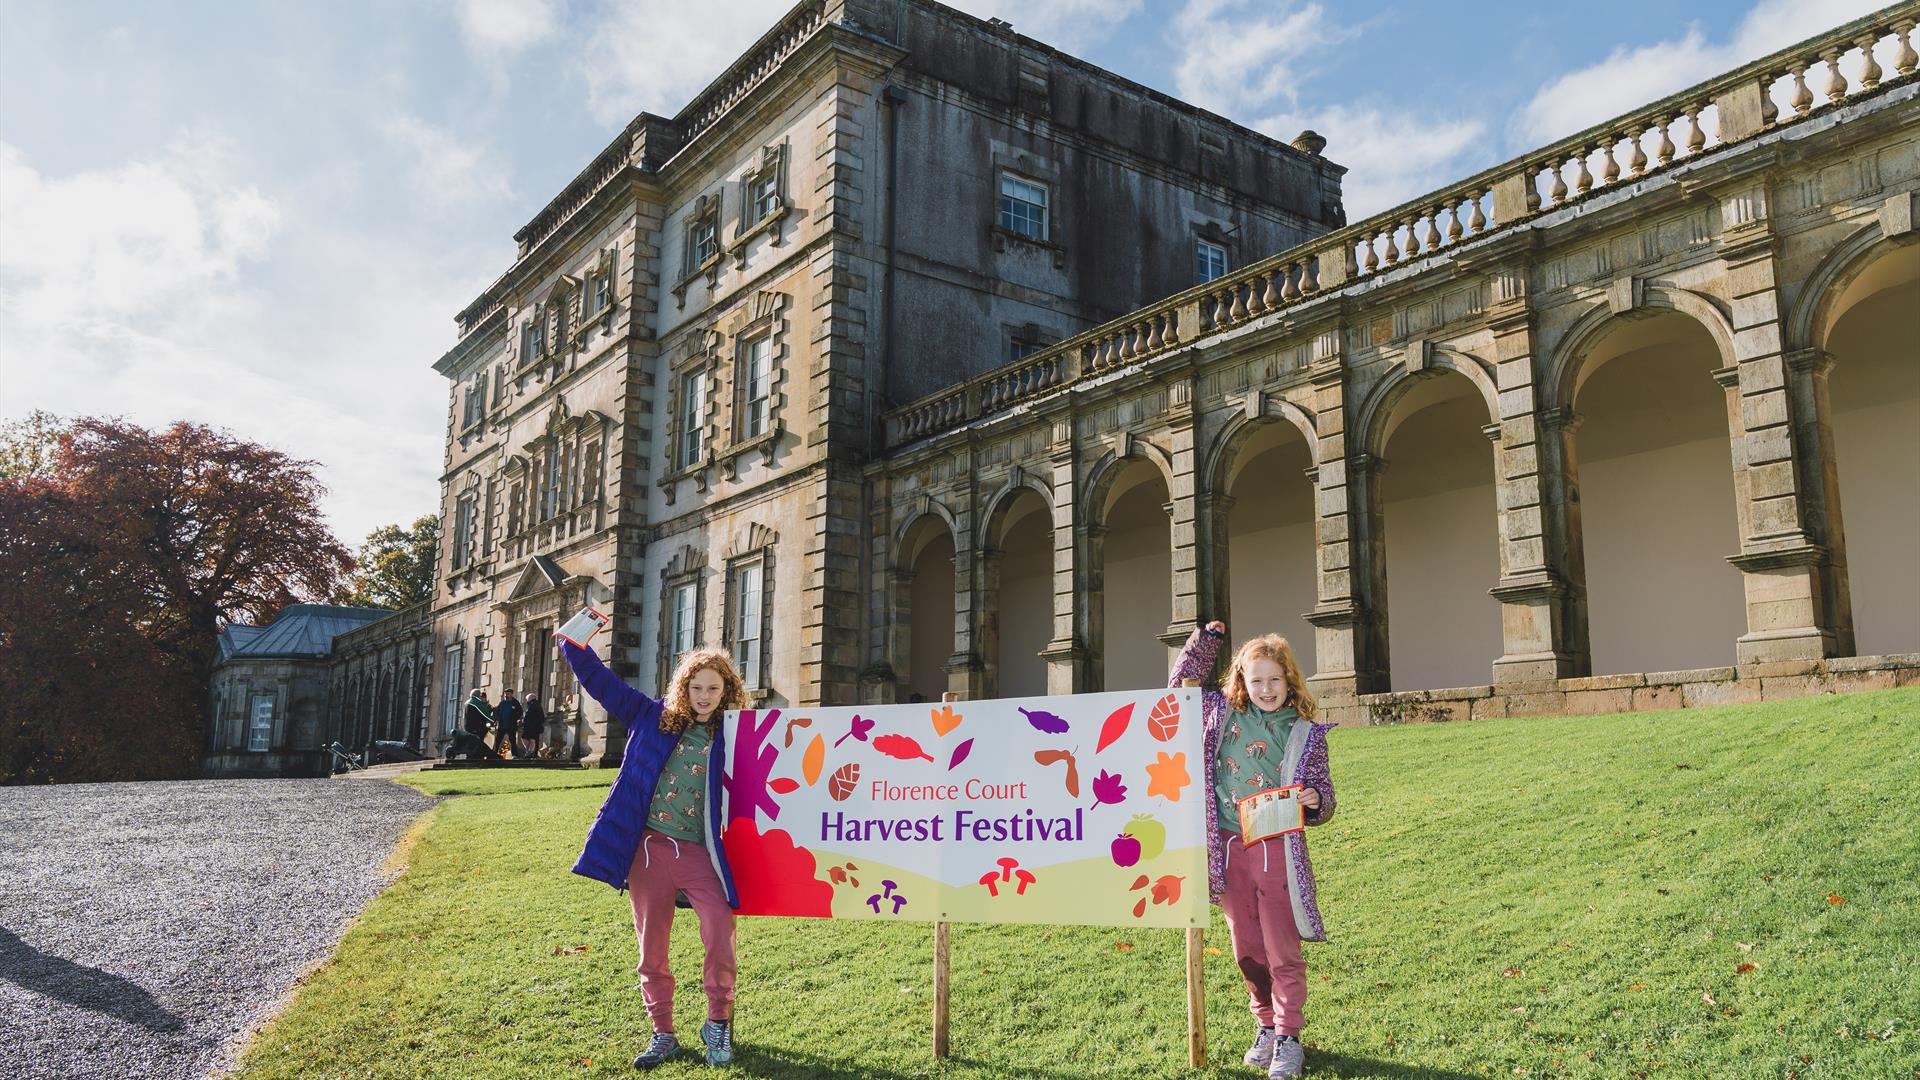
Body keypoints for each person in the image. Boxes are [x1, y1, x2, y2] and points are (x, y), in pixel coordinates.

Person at [559, 634, 745, 1069]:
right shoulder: (652, 717)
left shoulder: (733, 735)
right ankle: (663, 1032)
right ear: (683, 687)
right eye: (696, 687)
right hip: (649, 852)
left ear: (726, 691)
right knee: (652, 948)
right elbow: (602, 683)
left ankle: (718, 1021)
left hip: (700, 852)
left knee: (720, 929)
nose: (704, 696)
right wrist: (573, 641)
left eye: (713, 688)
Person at [1171, 619, 1336, 1079]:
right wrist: (1206, 642)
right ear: (1241, 679)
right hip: (1227, 847)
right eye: (1255, 679)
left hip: (1276, 847)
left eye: (1275, 680)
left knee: (1281, 946)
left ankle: (1289, 1036)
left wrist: (1315, 800)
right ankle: (1264, 1025)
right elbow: (1178, 687)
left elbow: (1324, 794)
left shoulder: (1305, 731)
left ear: (1289, 681)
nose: (1266, 689)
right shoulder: (1220, 714)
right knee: (1246, 945)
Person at [493, 688, 521, 760]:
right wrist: (497, 719)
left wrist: (515, 718)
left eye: (507, 694)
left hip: (511, 726)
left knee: (512, 740)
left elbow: (520, 712)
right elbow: (497, 711)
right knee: (498, 740)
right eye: (505, 694)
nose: (506, 695)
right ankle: (493, 754)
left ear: (511, 694)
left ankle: (514, 755)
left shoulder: (515, 703)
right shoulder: (502, 703)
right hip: (502, 725)